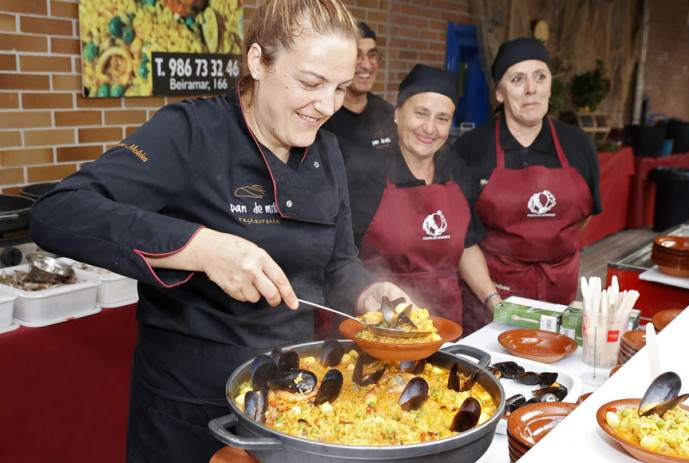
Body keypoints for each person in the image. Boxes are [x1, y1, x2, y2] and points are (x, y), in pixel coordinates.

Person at [29, 1, 409, 461]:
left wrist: (367, 294)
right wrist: (201, 247)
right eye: (310, 83)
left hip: (292, 403)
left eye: (341, 88)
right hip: (189, 410)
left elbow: (339, 264)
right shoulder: (190, 131)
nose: (326, 106)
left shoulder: (326, 150)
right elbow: (59, 212)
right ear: (257, 61)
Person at [453, 37, 602, 331]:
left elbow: (581, 218)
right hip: (489, 299)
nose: (531, 89)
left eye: (540, 77)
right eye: (517, 79)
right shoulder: (470, 149)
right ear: (499, 93)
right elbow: (462, 238)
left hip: (559, 299)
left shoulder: (578, 144)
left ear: (550, 85)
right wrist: (493, 300)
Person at [346, 64, 500, 331]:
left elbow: (466, 244)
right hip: (381, 323)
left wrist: (494, 301)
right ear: (397, 113)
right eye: (421, 113)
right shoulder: (363, 174)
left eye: (442, 119)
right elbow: (340, 260)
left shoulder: (456, 169)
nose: (430, 128)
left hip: (446, 325)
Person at [321, 21, 395, 161]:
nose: (366, 65)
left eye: (372, 55)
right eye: (357, 54)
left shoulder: (387, 113)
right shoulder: (324, 115)